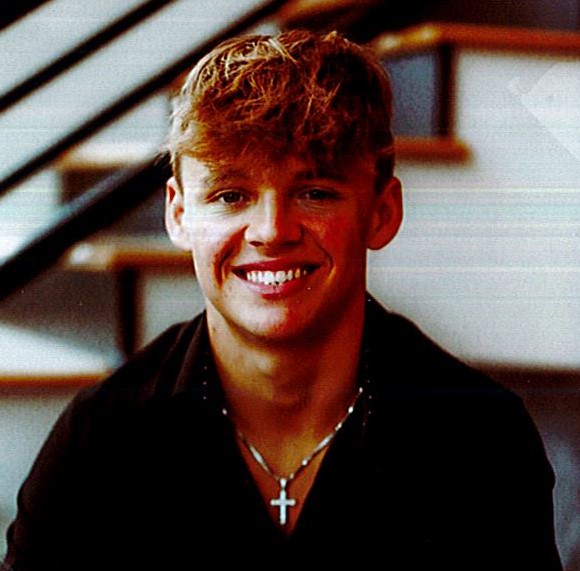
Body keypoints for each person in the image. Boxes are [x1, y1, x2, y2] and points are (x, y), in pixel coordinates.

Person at [3, 29, 562, 570]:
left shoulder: (481, 437)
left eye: (315, 192)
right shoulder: (99, 442)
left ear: (381, 212)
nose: (272, 231)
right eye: (231, 195)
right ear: (179, 214)